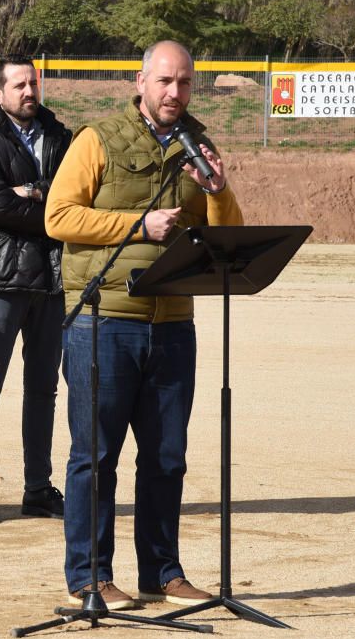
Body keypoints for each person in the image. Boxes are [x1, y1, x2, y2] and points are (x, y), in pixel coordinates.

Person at [45, 41, 244, 609]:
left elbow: (226, 233)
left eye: (183, 83)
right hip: (104, 321)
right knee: (95, 456)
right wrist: (138, 225)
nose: (174, 93)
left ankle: (163, 572)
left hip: (174, 324)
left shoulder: (199, 147)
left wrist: (218, 191)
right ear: (140, 82)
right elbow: (58, 215)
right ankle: (90, 576)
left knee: (166, 457)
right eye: (164, 81)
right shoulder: (97, 139)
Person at [0, 56, 72, 525]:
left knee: (44, 389)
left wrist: (35, 191)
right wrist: (50, 207)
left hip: (51, 277)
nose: (29, 91)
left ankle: (38, 488)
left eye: (33, 83)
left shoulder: (58, 134)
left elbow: (75, 195)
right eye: (19, 85)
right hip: (1, 277)